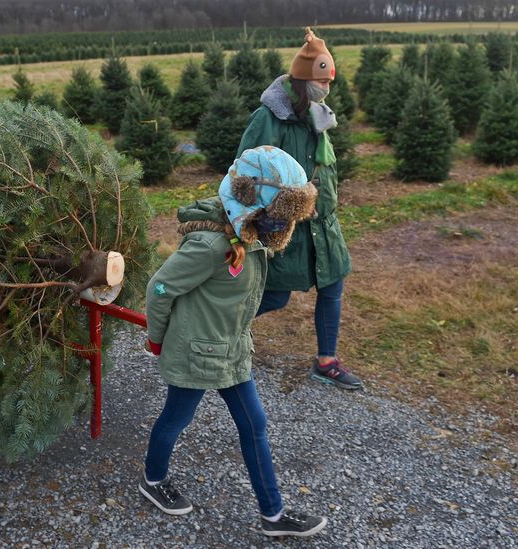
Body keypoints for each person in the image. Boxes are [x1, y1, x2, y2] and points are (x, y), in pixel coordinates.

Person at [139, 146, 327, 538]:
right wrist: (157, 340)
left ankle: (272, 516)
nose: (282, 224)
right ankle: (153, 480)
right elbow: (159, 288)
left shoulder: (252, 236)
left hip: (232, 350)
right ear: (249, 199)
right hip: (198, 351)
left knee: (254, 423)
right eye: (279, 213)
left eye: (289, 216)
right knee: (176, 418)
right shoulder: (210, 247)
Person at [236, 27, 362, 390]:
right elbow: (247, 172)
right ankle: (221, 332)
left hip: (323, 223)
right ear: (304, 81)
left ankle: (327, 361)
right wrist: (268, 214)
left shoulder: (318, 115)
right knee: (274, 294)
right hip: (285, 224)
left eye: (329, 82)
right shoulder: (269, 117)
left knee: (333, 284)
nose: (327, 89)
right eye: (322, 81)